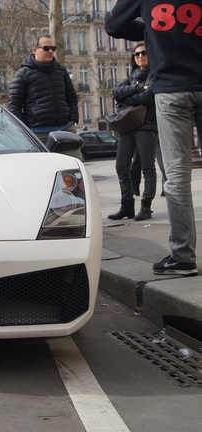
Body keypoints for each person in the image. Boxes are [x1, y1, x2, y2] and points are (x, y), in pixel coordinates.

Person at [106, 1, 201, 276]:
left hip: (171, 89)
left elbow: (113, 25)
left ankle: (183, 255)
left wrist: (152, 31)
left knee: (177, 173)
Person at [108, 43, 159, 222]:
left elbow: (147, 97)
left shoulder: (155, 76)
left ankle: (146, 206)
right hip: (128, 126)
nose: (140, 56)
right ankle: (127, 206)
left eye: (144, 52)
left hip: (146, 126)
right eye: (136, 54)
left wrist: (129, 96)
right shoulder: (131, 78)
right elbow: (116, 93)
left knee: (147, 167)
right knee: (121, 167)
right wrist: (136, 89)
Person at [8, 35, 81, 159]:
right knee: (44, 170)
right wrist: (27, 130)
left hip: (65, 129)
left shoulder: (61, 71)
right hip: (38, 133)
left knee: (75, 165)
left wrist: (73, 119)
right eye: (46, 48)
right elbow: (14, 106)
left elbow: (72, 97)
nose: (51, 51)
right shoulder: (23, 73)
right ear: (35, 50)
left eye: (53, 48)